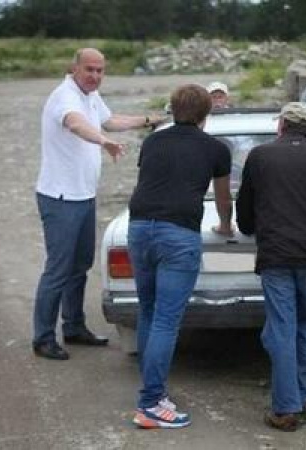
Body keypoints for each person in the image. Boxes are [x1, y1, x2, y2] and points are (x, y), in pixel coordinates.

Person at [32, 48, 165, 360]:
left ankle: (74, 327)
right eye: (89, 69)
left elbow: (111, 120)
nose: (94, 76)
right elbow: (77, 124)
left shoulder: (90, 95)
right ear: (75, 68)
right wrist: (103, 141)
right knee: (58, 269)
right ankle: (43, 338)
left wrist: (149, 120)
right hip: (61, 198)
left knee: (80, 266)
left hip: (83, 196)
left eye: (100, 71)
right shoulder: (65, 97)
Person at [128, 84, 233, 429]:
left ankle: (152, 391)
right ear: (207, 113)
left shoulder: (153, 141)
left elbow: (151, 181)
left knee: (148, 310)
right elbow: (222, 199)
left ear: (172, 110)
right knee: (166, 320)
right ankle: (150, 403)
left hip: (139, 228)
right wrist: (225, 226)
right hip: (178, 233)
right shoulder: (215, 148)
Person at [236, 102, 306, 431]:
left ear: (281, 126)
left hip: (276, 255)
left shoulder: (259, 156)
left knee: (281, 327)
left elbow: (245, 212)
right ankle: (304, 394)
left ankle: (285, 408)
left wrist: (251, 228)